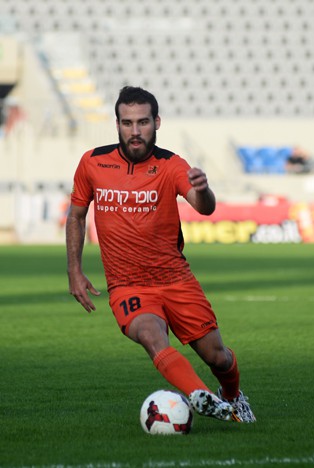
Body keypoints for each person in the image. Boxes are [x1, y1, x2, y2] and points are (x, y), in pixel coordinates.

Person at [66, 86, 255, 424]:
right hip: (127, 284)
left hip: (176, 280)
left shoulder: (171, 165)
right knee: (151, 335)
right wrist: (74, 271)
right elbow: (77, 216)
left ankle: (233, 396)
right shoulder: (92, 162)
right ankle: (204, 398)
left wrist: (203, 189)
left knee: (218, 357)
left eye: (142, 122)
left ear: (157, 122)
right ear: (117, 124)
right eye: (127, 123)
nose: (135, 131)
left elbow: (204, 207)